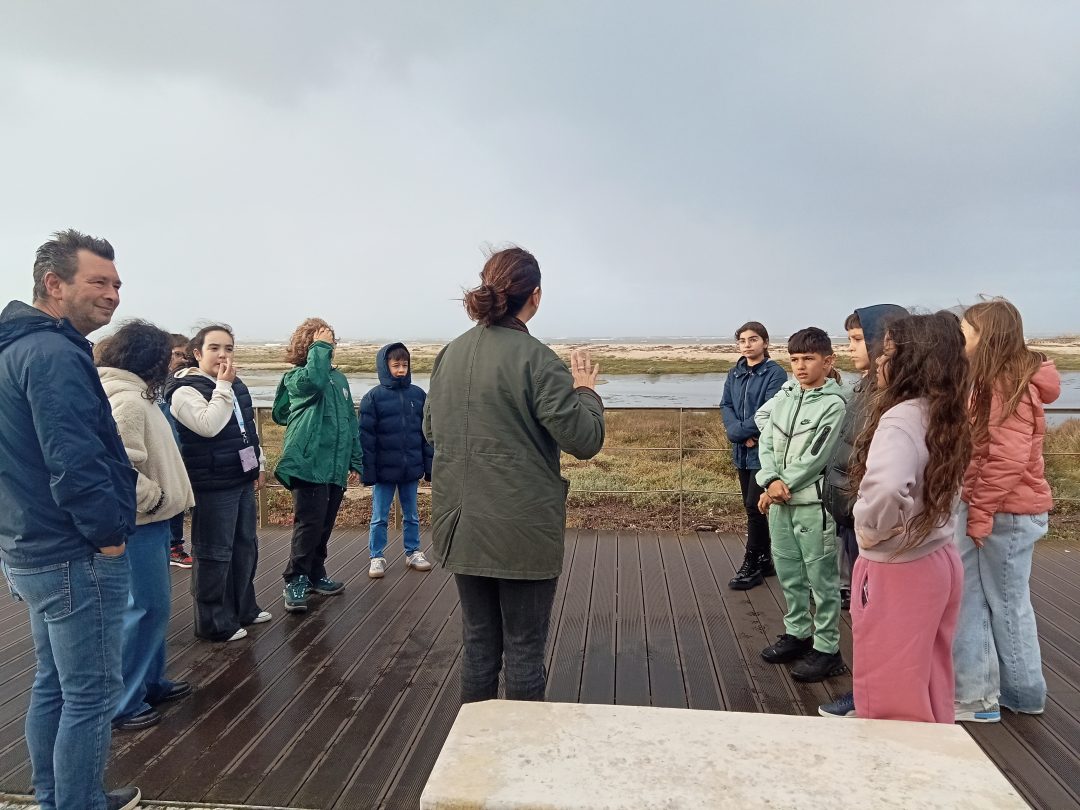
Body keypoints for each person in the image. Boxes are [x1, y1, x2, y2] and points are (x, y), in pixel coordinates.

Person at [424, 246, 605, 702]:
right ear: (535, 296)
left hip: (461, 522)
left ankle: (473, 757)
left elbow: (431, 428)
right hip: (522, 527)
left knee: (479, 645)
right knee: (524, 650)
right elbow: (583, 441)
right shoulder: (537, 359)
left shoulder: (450, 354)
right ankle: (522, 759)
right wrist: (586, 393)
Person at [0, 229, 141, 810]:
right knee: (90, 692)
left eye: (117, 284)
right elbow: (74, 457)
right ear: (54, 285)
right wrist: (107, 538)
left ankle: (60, 796)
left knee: (54, 683)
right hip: (72, 552)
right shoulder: (54, 353)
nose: (112, 295)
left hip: (30, 544)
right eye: (98, 282)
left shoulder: (15, 349)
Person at [824, 312, 969, 723]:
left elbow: (887, 489)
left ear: (910, 361)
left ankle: (894, 772)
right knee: (931, 674)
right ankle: (935, 759)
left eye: (887, 351)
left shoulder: (900, 419)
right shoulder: (943, 411)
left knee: (890, 689)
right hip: (938, 556)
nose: (879, 359)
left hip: (899, 564)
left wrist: (870, 531)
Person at [953, 298, 1060, 724]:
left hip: (1007, 513)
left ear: (987, 336)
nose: (960, 338)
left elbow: (1006, 460)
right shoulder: (998, 380)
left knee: (1008, 602)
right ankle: (990, 697)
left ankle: (1023, 694)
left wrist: (978, 512)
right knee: (989, 599)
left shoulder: (1004, 384)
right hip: (1003, 510)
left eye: (965, 331)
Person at [97, 321, 196, 732]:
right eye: (166, 356)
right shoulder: (131, 401)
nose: (173, 362)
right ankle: (125, 702)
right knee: (143, 609)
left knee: (153, 609)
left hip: (151, 522)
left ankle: (150, 682)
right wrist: (151, 497)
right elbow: (117, 462)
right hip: (140, 522)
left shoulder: (138, 395)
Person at [165, 324, 270, 642]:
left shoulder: (234, 385)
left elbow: (246, 428)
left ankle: (242, 608)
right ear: (197, 353)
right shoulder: (184, 391)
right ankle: (213, 621)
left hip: (240, 477)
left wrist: (259, 464)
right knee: (214, 552)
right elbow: (208, 426)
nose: (223, 355)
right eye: (214, 348)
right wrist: (223, 387)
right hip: (212, 483)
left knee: (245, 545)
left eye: (228, 348)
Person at [754, 327, 848, 683]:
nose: (800, 366)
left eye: (809, 359)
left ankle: (827, 648)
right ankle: (798, 634)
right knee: (790, 572)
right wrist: (769, 480)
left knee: (820, 577)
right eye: (794, 359)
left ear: (828, 361)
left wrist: (782, 484)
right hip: (780, 502)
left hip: (812, 504)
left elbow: (816, 455)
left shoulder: (834, 403)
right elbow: (767, 440)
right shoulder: (785, 395)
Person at [273, 318, 364, 613]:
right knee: (308, 524)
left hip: (334, 464)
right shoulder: (297, 378)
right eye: (323, 340)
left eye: (331, 339)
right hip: (307, 462)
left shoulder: (339, 380)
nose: (330, 343)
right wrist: (319, 347)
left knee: (324, 524)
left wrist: (355, 460)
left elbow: (350, 422)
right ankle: (295, 578)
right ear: (309, 346)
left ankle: (314, 573)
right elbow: (314, 381)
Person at [823, 305, 907, 610]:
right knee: (864, 603)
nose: (850, 347)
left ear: (880, 340)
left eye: (857, 339)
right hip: (852, 516)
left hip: (870, 524)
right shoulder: (865, 387)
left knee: (875, 605)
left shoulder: (890, 397)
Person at [720, 321, 788, 590]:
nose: (747, 345)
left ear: (765, 342)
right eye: (743, 341)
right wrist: (736, 431)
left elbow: (772, 409)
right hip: (741, 451)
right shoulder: (734, 373)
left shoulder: (775, 374)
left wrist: (744, 432)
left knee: (754, 506)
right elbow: (726, 404)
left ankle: (752, 563)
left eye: (753, 339)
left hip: (764, 451)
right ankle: (765, 559)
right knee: (752, 506)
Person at [360, 342, 434, 579]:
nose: (401, 370)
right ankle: (376, 556)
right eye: (396, 365)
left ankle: (413, 551)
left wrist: (429, 466)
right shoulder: (373, 398)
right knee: (379, 515)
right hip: (383, 470)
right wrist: (367, 470)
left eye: (405, 365)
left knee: (411, 514)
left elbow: (426, 435)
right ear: (385, 366)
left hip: (410, 467)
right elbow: (366, 439)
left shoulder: (418, 395)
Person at [166, 332, 194, 568]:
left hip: (185, 454)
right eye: (177, 354)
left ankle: (175, 545)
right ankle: (172, 545)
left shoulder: (188, 384)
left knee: (180, 501)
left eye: (186, 355)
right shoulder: (153, 386)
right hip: (164, 455)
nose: (182, 360)